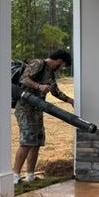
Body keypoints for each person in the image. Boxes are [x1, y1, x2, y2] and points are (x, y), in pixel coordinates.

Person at [13, 49, 74, 184]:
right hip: (25, 108)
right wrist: (39, 86)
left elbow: (56, 92)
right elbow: (24, 79)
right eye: (63, 66)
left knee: (36, 142)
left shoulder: (51, 73)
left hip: (37, 110)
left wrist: (72, 102)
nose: (62, 69)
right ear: (59, 61)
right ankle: (15, 176)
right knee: (27, 141)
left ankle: (30, 175)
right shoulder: (38, 63)